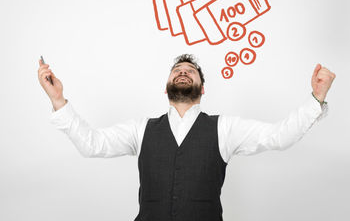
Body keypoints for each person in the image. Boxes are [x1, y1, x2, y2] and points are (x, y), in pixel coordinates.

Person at [37, 54, 336, 221]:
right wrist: (58, 99)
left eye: (190, 71)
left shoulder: (225, 129)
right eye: (177, 70)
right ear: (166, 87)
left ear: (202, 88)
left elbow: (280, 136)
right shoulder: (141, 130)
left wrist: (317, 97)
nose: (183, 72)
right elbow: (92, 144)